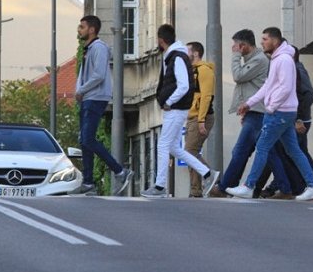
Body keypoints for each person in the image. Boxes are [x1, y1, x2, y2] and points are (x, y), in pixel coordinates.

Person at [226, 27, 313, 201]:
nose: (262, 42)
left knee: (263, 147)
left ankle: (249, 186)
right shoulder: (277, 59)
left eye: (265, 39)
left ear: (275, 41)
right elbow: (268, 86)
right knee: (293, 150)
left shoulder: (284, 59)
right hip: (284, 112)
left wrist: (271, 106)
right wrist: (249, 103)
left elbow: (285, 88)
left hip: (280, 112)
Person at [209, 29, 290, 199]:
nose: (233, 48)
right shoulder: (255, 59)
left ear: (243, 45)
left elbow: (238, 76)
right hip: (254, 111)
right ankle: (284, 187)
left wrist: (235, 56)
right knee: (262, 151)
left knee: (244, 150)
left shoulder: (259, 60)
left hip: (259, 112)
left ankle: (225, 187)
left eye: (236, 45)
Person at [141, 24, 220, 198]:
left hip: (175, 109)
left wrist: (169, 101)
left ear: (161, 40)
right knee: (175, 149)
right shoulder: (176, 56)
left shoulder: (177, 57)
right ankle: (208, 174)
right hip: (178, 109)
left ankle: (160, 187)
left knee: (162, 145)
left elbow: (184, 85)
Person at [71, 15, 133, 196]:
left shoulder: (97, 48)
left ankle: (120, 171)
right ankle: (88, 182)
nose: (79, 30)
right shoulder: (89, 48)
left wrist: (81, 90)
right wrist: (80, 91)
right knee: (84, 140)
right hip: (89, 97)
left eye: (82, 27)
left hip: (95, 97)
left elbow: (98, 75)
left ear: (91, 29)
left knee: (88, 138)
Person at [259, 45, 313, 197]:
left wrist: (299, 118)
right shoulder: (291, 69)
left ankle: (308, 187)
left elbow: (309, 95)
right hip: (291, 118)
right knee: (285, 152)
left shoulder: (297, 70)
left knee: (294, 153)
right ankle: (294, 187)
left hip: (297, 120)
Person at [184, 41, 215, 198]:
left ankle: (210, 178)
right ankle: (198, 190)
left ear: (195, 53)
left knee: (190, 152)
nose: (184, 53)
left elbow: (206, 97)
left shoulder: (204, 71)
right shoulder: (192, 71)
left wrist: (201, 120)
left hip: (200, 117)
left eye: (187, 50)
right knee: (191, 152)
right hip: (192, 116)